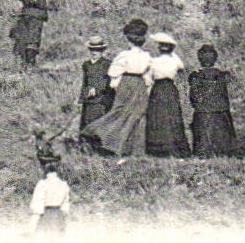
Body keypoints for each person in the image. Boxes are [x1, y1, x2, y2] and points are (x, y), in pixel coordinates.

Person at [82, 19, 152, 158]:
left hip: (127, 83)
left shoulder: (124, 55)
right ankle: (113, 142)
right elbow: (148, 76)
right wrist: (147, 89)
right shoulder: (146, 56)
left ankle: (116, 143)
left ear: (128, 40)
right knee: (136, 115)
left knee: (121, 113)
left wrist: (117, 86)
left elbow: (113, 74)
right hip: (139, 85)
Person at [187, 44, 238, 156]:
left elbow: (193, 98)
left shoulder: (196, 77)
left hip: (203, 115)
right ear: (215, 58)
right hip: (221, 114)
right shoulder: (222, 76)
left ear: (200, 59)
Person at [145, 32, 190, 158]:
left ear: (159, 48)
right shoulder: (174, 62)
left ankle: (157, 148)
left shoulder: (153, 61)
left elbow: (148, 78)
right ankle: (173, 146)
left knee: (157, 115)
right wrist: (173, 52)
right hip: (170, 88)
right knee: (172, 115)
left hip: (158, 89)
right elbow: (181, 65)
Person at [30, 147, 71, 234]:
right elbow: (65, 207)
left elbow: (37, 206)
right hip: (59, 218)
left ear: (44, 168)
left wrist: (32, 227)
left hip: (46, 217)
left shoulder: (42, 184)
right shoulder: (64, 184)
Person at [79, 37, 116, 130]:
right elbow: (85, 82)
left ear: (102, 51)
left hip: (102, 100)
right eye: (92, 50)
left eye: (97, 50)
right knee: (87, 123)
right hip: (89, 100)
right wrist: (83, 96)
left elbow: (109, 83)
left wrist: (97, 89)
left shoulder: (107, 64)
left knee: (99, 125)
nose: (94, 52)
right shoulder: (86, 64)